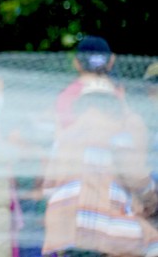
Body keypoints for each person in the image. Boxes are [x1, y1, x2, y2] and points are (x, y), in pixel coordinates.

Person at [42, 82, 158, 256]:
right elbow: (135, 177)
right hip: (100, 226)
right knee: (151, 244)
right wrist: (151, 198)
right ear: (111, 107)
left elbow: (48, 189)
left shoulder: (63, 139)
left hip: (64, 230)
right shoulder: (117, 135)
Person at [55, 35, 123, 132]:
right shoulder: (117, 92)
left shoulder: (67, 94)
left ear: (76, 62)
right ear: (111, 61)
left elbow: (62, 133)